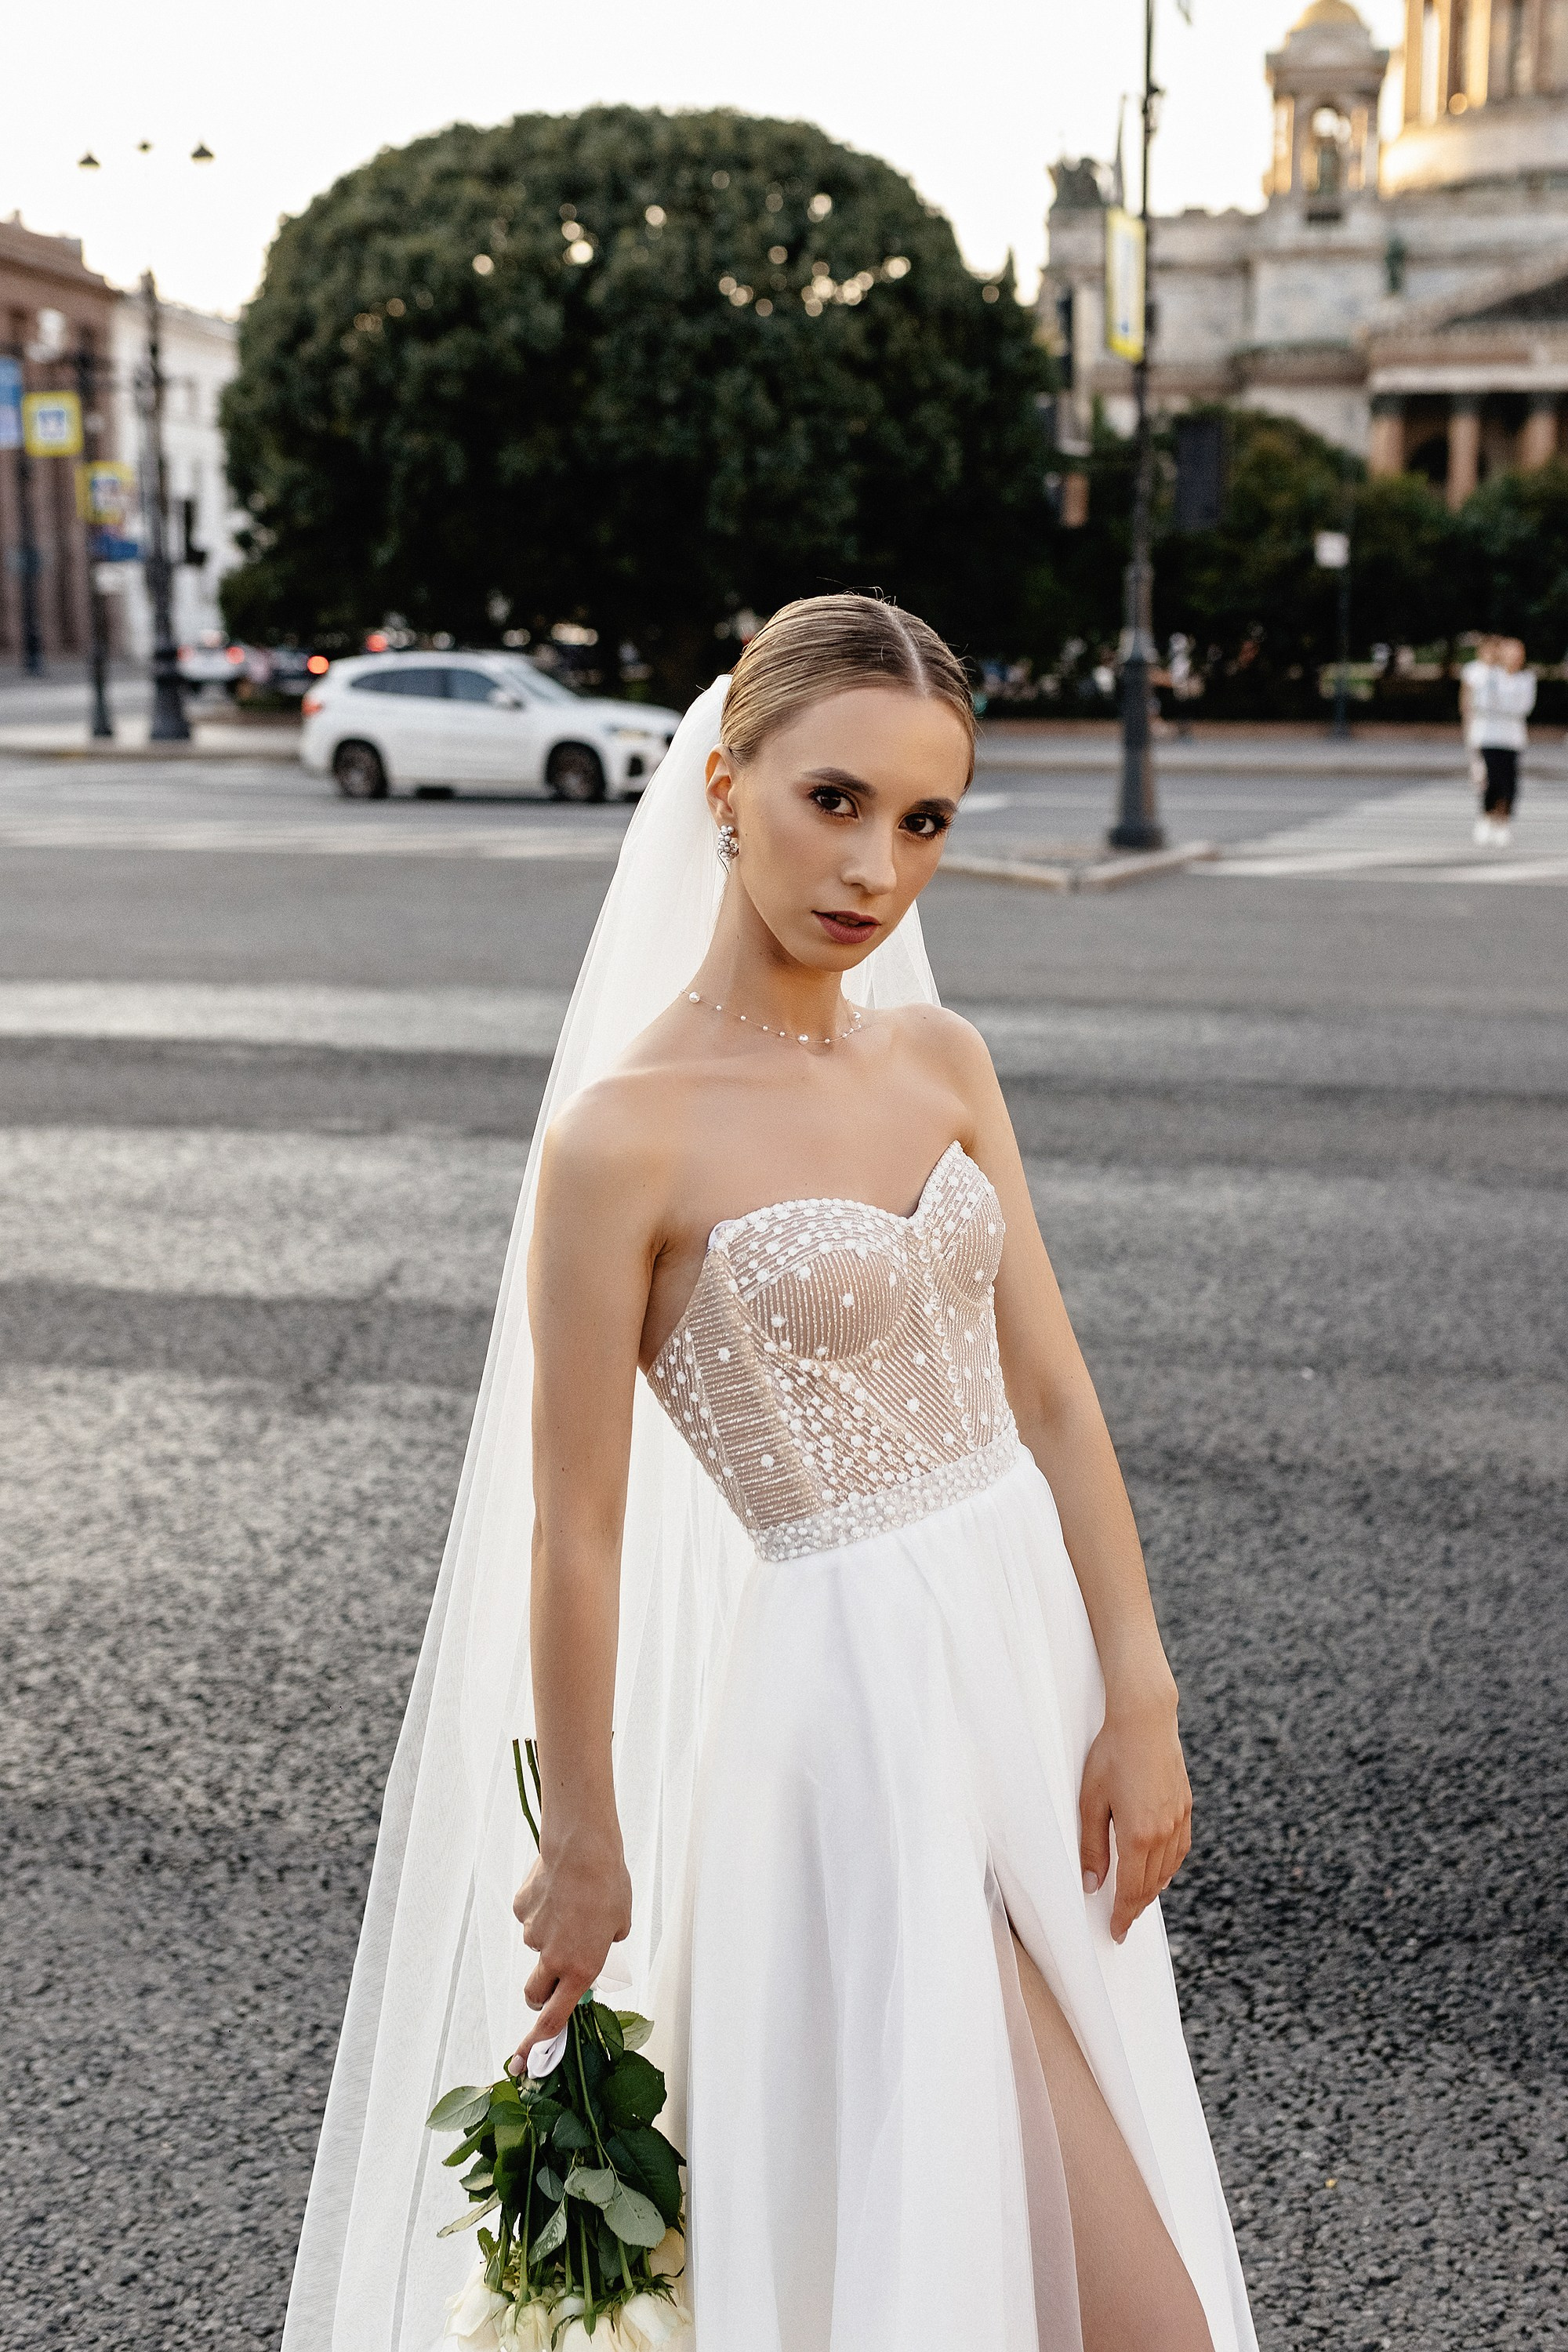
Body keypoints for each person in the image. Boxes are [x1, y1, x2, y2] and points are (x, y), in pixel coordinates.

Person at [281, 595, 1258, 2352]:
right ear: (725, 788)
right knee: (1104, 2308)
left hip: (1024, 1671)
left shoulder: (942, 1060)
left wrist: (1141, 1688)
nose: (875, 868)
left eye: (924, 820)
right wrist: (586, 1836)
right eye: (833, 801)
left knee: (1026, 2253)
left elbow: (1050, 1394)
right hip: (852, 1714)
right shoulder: (621, 1137)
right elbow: (576, 1531)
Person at [1461, 633, 1536, 846]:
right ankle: (1487, 816)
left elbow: (1523, 707)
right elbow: (1482, 703)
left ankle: (1504, 821)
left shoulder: (1526, 678)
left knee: (1510, 782)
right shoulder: (1489, 675)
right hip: (1489, 736)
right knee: (1492, 780)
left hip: (1512, 738)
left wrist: (1504, 705)